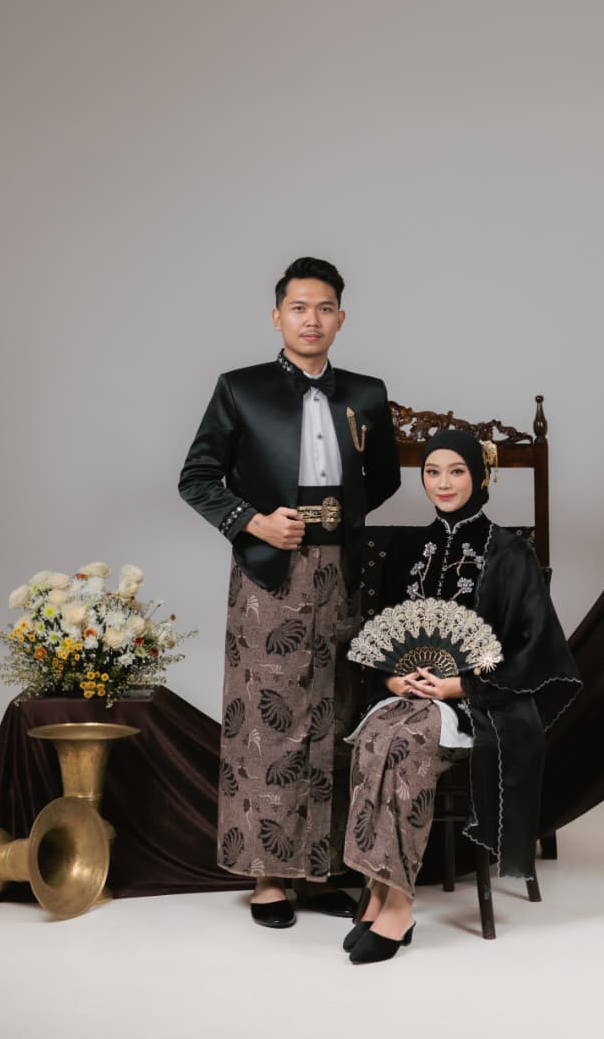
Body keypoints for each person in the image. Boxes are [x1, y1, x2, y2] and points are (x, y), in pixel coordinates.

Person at [178, 256, 401, 929]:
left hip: (343, 571)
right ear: (277, 316)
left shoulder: (365, 393)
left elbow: (385, 477)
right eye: (299, 308)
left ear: (341, 318)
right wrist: (254, 522)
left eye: (324, 308)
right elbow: (197, 477)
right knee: (266, 718)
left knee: (333, 713)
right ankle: (268, 877)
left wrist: (340, 518)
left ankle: (320, 870)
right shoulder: (239, 389)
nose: (312, 319)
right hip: (268, 569)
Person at [341, 428, 580, 963]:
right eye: (432, 472)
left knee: (406, 744)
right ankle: (376, 890)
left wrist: (459, 684)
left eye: (456, 471)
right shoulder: (406, 549)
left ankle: (398, 906)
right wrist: (394, 680)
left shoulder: (510, 552)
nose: (443, 483)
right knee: (374, 737)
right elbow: (380, 636)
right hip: (410, 694)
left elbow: (537, 651)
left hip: (478, 703)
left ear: (479, 476)